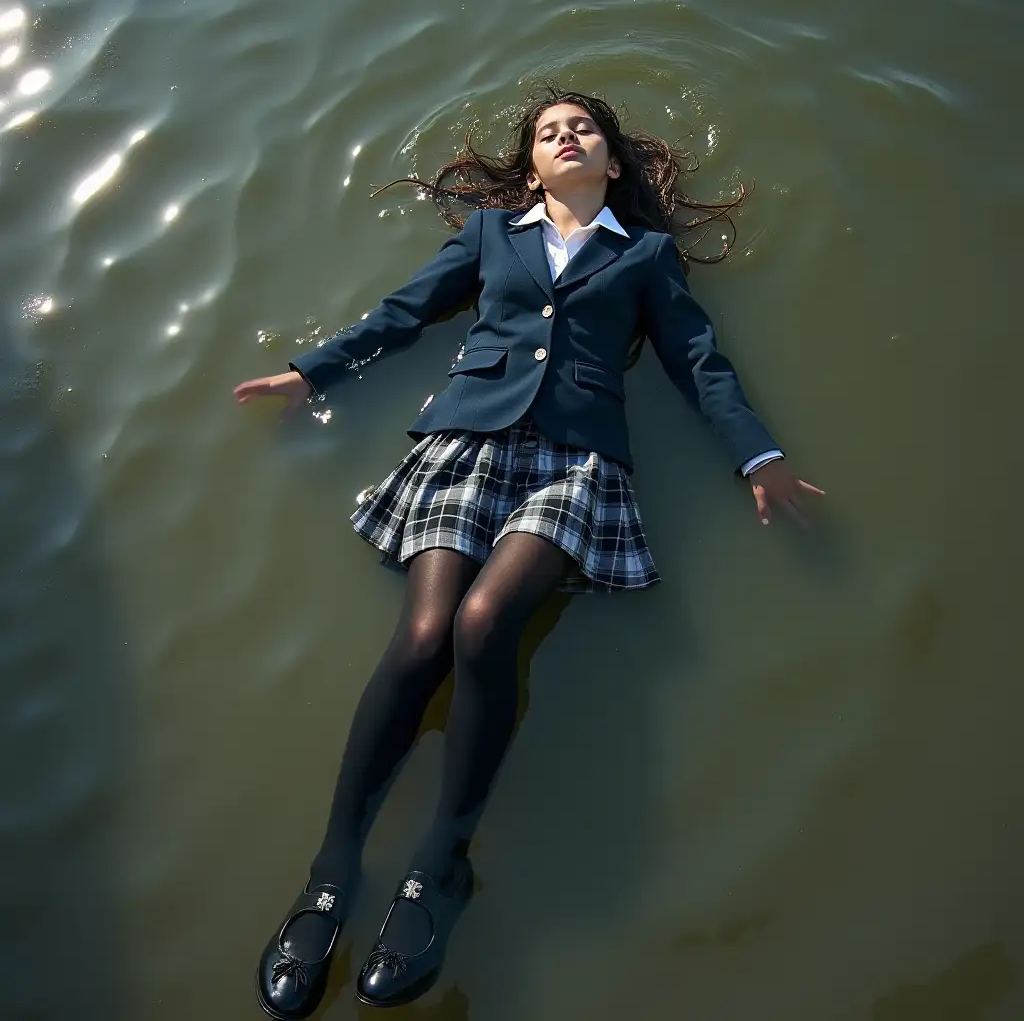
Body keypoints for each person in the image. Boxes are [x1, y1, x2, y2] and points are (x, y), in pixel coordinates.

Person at [235, 86, 824, 1018]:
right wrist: (315, 366)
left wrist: (759, 456)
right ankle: (331, 869)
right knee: (424, 634)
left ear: (613, 161)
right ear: (533, 161)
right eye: (548, 132)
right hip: (467, 442)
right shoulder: (489, 235)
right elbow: (408, 310)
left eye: (582, 129)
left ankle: (441, 862)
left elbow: (697, 359)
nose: (565, 138)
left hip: (576, 460)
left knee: (485, 622)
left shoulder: (648, 256)